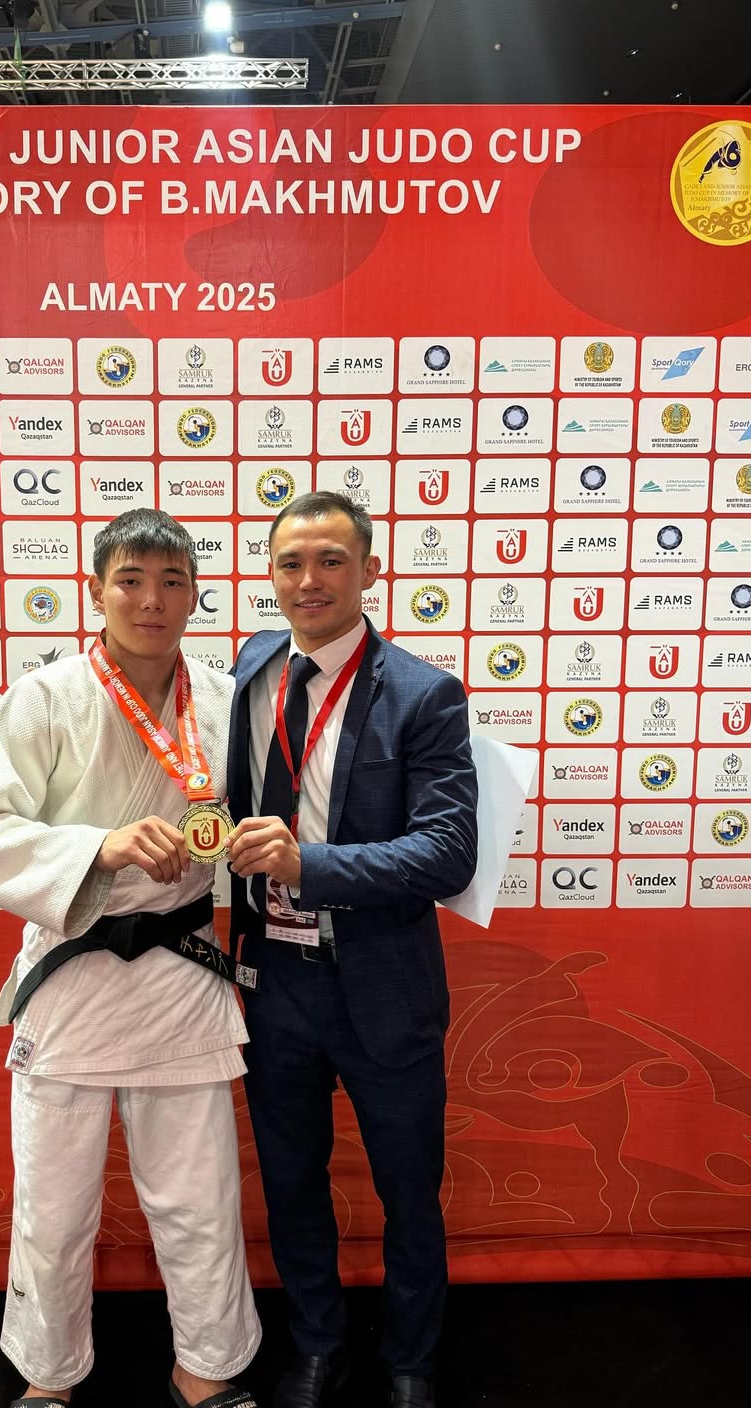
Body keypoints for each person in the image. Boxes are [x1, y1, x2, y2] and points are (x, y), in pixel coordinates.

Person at [0, 508, 261, 1408]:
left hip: (181, 970)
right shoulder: (44, 698)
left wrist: (253, 842)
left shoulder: (227, 700)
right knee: (53, 1204)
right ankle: (48, 1373)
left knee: (198, 1198)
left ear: (195, 597)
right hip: (74, 971)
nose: (150, 600)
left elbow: (270, 814)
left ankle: (207, 1364)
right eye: (130, 580)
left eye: (171, 582)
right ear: (96, 591)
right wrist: (99, 847)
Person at [226, 492, 477, 1408]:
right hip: (274, 981)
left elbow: (448, 853)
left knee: (409, 1187)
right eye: (291, 563)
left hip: (381, 983)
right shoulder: (251, 667)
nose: (310, 580)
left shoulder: (423, 693)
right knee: (292, 1181)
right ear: (271, 575)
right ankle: (317, 1343)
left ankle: (411, 1360)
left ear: (370, 570)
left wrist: (311, 863)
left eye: (331, 560)